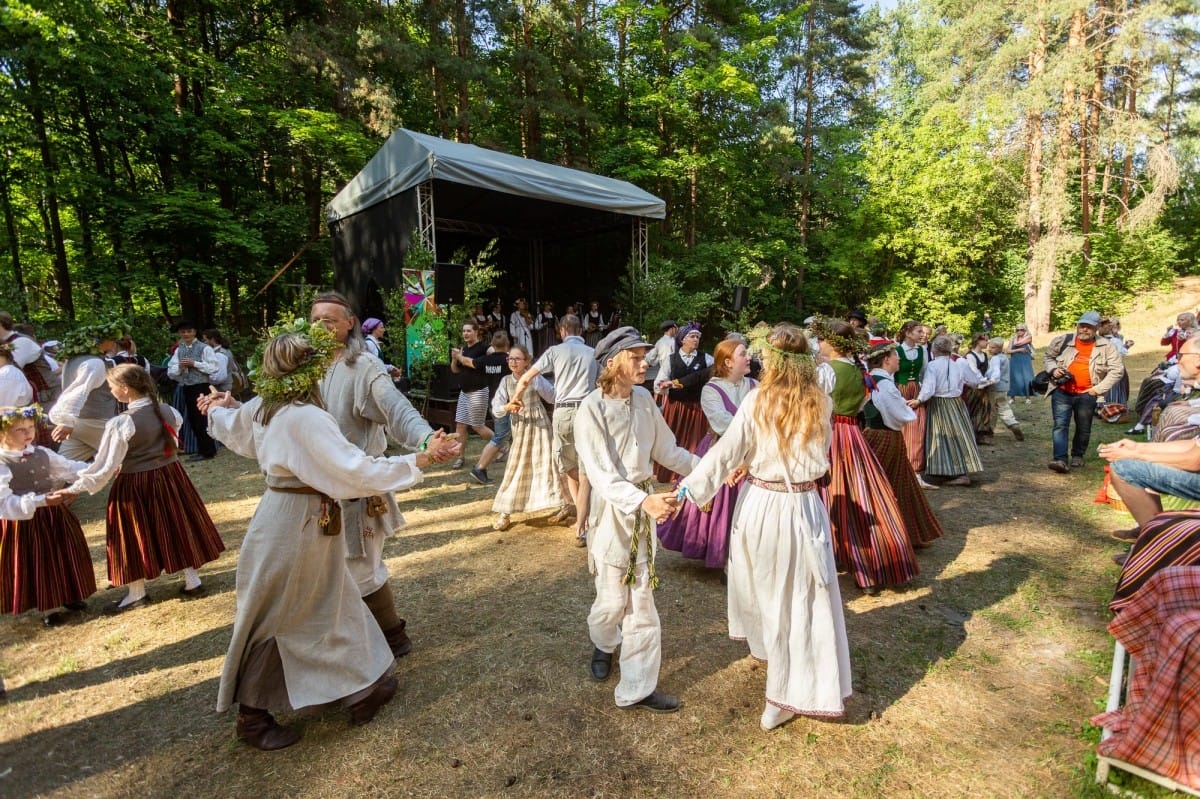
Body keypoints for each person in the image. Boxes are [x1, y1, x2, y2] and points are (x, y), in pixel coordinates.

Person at [203, 329, 429, 750]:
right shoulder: (305, 416)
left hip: (296, 519)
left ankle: (361, 691)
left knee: (335, 601)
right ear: (309, 370)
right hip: (297, 526)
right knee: (278, 613)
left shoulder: (270, 408)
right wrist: (417, 461)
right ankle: (252, 718)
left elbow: (233, 424)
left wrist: (213, 410)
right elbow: (354, 471)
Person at [676, 323, 852, 729]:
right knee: (796, 594)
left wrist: (688, 490)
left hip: (765, 505)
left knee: (776, 593)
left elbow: (726, 453)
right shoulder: (820, 402)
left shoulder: (758, 400)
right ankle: (789, 670)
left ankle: (786, 691)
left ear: (774, 361)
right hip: (803, 504)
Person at [309, 293, 460, 658]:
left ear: (350, 324)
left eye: (331, 320)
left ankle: (392, 636)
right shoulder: (302, 368)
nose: (322, 326)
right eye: (315, 319)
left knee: (361, 568)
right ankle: (347, 640)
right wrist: (232, 408)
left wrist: (427, 439)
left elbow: (397, 411)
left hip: (358, 489)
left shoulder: (363, 368)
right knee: (322, 571)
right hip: (313, 490)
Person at [575, 326, 695, 714]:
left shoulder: (644, 398)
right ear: (612, 363)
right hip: (613, 512)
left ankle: (638, 687)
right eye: (637, 357)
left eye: (645, 356)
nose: (645, 363)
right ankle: (604, 641)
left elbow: (669, 450)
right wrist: (644, 502)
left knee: (641, 602)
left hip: (643, 508)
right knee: (611, 602)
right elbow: (602, 475)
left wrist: (710, 470)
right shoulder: (589, 409)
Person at [60, 364, 225, 612]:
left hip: (136, 484)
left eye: (113, 387)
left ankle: (136, 593)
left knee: (132, 535)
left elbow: (104, 466)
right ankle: (193, 581)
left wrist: (75, 487)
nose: (112, 391)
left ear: (125, 389)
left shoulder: (122, 423)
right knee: (176, 524)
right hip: (171, 477)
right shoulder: (168, 411)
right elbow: (167, 442)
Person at [812, 317, 920, 593]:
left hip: (832, 434)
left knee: (833, 493)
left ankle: (848, 558)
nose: (820, 343)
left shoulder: (827, 371)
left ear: (833, 343)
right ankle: (873, 559)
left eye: (823, 338)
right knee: (863, 494)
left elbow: (818, 405)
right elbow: (861, 406)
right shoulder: (861, 372)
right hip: (853, 435)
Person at [657, 338, 756, 570]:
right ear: (729, 362)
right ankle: (722, 555)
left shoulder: (754, 386)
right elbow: (723, 424)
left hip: (752, 452)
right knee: (723, 503)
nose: (749, 357)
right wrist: (756, 428)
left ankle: (746, 556)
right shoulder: (712, 389)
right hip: (721, 450)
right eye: (744, 354)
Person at [0, 404, 95, 627]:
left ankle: (70, 593)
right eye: (20, 430)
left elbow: (70, 468)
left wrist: (99, 468)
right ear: (3, 433)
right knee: (39, 560)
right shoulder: (3, 463)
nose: (29, 434)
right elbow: (3, 502)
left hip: (53, 514)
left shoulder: (42, 453)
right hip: (24, 522)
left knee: (62, 552)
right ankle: (49, 607)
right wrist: (40, 501)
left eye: (30, 427)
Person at [510, 314, 598, 525]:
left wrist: (515, 399)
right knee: (586, 463)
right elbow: (605, 382)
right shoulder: (594, 353)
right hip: (588, 410)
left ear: (562, 331)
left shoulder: (554, 351)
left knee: (568, 465)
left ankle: (582, 517)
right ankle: (586, 513)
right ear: (580, 330)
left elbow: (526, 378)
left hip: (565, 411)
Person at [861, 341, 944, 550]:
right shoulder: (885, 384)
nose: (899, 358)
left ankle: (911, 532)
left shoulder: (874, 379)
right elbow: (898, 414)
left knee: (903, 482)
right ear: (886, 359)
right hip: (886, 436)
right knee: (888, 483)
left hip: (879, 434)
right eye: (895, 355)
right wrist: (907, 413)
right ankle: (892, 536)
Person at [488, 345, 562, 531]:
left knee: (549, 462)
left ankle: (563, 502)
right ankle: (505, 511)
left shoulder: (534, 377)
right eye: (510, 359)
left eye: (517, 359)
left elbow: (552, 396)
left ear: (527, 361)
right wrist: (507, 407)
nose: (513, 362)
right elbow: (497, 406)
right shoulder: (506, 381)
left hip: (539, 425)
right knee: (516, 465)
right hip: (520, 427)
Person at [1044, 310, 1124, 473]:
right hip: (1062, 391)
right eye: (1082, 326)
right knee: (1060, 425)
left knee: (1083, 426)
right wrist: (1053, 370)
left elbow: (1117, 370)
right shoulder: (1063, 341)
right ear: (1077, 326)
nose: (1084, 330)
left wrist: (1097, 390)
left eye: (1088, 327)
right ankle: (1060, 459)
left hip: (1087, 393)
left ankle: (1078, 455)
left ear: (1096, 329)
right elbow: (1048, 357)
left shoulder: (1107, 346)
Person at [49, 321, 124, 461]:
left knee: (63, 467)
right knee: (130, 456)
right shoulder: (94, 363)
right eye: (111, 339)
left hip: (79, 424)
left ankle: (48, 483)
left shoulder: (73, 361)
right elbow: (79, 390)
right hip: (96, 421)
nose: (115, 342)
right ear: (99, 341)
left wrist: (69, 422)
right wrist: (66, 421)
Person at [916, 334, 984, 486]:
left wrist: (919, 399)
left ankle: (945, 471)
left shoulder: (933, 365)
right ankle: (960, 471)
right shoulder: (959, 363)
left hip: (939, 404)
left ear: (934, 350)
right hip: (957, 403)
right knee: (959, 435)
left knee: (941, 435)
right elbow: (974, 382)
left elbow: (929, 387)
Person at [653, 322, 713, 483]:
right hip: (676, 407)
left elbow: (717, 377)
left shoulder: (706, 359)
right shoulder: (671, 360)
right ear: (683, 340)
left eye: (698, 337)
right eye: (692, 336)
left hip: (696, 407)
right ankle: (669, 474)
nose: (696, 340)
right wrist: (662, 386)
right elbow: (658, 382)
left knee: (696, 440)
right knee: (672, 440)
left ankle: (693, 474)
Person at [166, 320, 220, 461]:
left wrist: (195, 364)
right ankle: (203, 449)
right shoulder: (179, 349)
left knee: (202, 419)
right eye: (183, 332)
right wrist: (180, 367)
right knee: (193, 419)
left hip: (201, 386)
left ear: (194, 332)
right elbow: (171, 371)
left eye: (189, 331)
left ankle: (208, 450)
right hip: (187, 387)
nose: (186, 334)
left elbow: (214, 367)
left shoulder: (204, 348)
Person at [467, 331, 513, 484]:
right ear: (507, 345)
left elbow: (470, 362)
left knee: (507, 436)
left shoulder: (486, 360)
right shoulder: (509, 361)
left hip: (493, 402)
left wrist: (459, 357)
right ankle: (479, 468)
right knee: (500, 438)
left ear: (492, 345)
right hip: (507, 403)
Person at [448, 321, 495, 469]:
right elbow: (455, 370)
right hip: (464, 392)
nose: (465, 334)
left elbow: (493, 354)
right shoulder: (464, 350)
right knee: (460, 426)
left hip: (478, 391)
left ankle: (501, 445)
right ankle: (460, 457)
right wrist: (455, 359)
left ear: (476, 332)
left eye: (468, 331)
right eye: (464, 331)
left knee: (477, 426)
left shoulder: (483, 347)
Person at [986, 338, 1024, 440]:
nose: (990, 349)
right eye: (989, 347)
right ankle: (1010, 424)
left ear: (999, 348)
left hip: (995, 386)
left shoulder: (995, 359)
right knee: (1002, 406)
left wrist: (991, 380)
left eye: (993, 348)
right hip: (1004, 387)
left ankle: (991, 429)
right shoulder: (1004, 357)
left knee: (993, 409)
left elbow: (995, 372)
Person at [643, 320, 677, 395]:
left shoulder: (660, 342)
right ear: (672, 329)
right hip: (672, 375)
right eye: (675, 328)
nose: (676, 331)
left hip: (664, 374)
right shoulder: (674, 342)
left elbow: (650, 359)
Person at [1008, 323, 1035, 403]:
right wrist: (1018, 350)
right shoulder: (1013, 339)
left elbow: (1017, 344)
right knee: (1014, 377)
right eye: (1017, 330)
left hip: (1025, 360)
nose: (1019, 332)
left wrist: (1016, 342)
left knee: (1026, 377)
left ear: (1025, 330)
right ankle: (1012, 398)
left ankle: (1028, 398)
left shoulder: (1028, 337)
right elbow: (1008, 351)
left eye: (1021, 330)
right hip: (1014, 360)